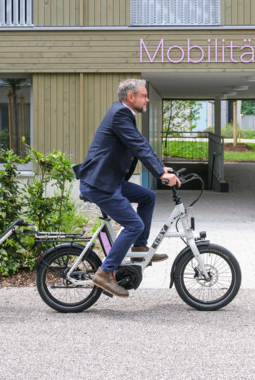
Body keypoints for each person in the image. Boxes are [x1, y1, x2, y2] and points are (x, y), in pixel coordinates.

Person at [73, 78, 180, 298]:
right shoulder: (120, 114)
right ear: (131, 97)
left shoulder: (123, 114)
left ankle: (140, 248)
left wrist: (161, 167)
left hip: (109, 180)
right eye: (143, 95)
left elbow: (141, 143)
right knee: (134, 224)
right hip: (99, 184)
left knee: (148, 197)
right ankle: (104, 273)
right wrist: (161, 174)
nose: (147, 99)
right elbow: (138, 145)